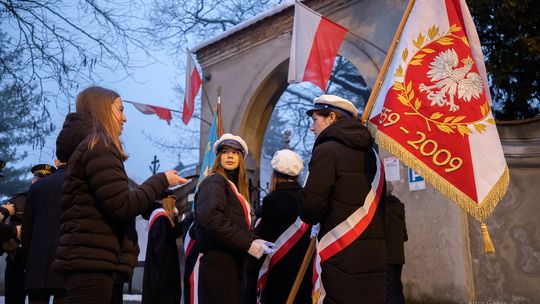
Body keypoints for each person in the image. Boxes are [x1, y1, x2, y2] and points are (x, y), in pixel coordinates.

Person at [51, 86, 187, 304]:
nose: (124, 118)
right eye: (120, 110)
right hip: (92, 262)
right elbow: (123, 205)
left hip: (91, 260)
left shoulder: (91, 146)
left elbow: (112, 199)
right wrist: (161, 179)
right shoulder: (100, 146)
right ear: (102, 110)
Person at [299, 94, 387, 303]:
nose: (313, 128)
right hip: (373, 254)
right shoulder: (372, 154)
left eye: (315, 119)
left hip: (340, 252)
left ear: (331, 117)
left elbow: (311, 209)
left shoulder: (326, 150)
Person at [194, 133, 274, 304]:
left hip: (232, 261)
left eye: (235, 152)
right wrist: (248, 244)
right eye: (225, 152)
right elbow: (211, 219)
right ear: (218, 157)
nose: (230, 155)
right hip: (219, 262)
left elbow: (235, 223)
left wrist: (255, 240)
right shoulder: (215, 181)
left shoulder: (234, 188)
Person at [254, 149, 312, 304]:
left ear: (275, 174)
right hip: (304, 267)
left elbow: (266, 238)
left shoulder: (272, 200)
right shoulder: (307, 198)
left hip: (278, 267)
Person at [4, 164, 55, 304]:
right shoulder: (18, 201)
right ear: (33, 181)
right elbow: (7, 229)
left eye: (44, 180)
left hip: (41, 262)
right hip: (18, 261)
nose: (39, 183)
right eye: (38, 179)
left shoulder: (55, 203)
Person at [22, 159, 68, 304]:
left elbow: (27, 229)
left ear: (57, 161)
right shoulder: (79, 184)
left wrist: (26, 261)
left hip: (38, 261)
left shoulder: (36, 187)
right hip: (66, 260)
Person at [142, 190, 182, 304]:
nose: (174, 205)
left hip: (162, 266)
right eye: (172, 202)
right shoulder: (160, 217)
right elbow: (169, 234)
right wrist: (182, 223)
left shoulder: (161, 217)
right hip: (162, 270)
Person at [385, 185, 408, 304]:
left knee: (389, 289)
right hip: (398, 255)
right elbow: (405, 235)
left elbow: (384, 232)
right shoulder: (399, 206)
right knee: (397, 286)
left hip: (387, 255)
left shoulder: (384, 208)